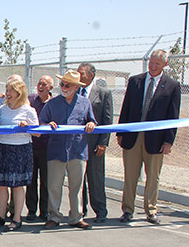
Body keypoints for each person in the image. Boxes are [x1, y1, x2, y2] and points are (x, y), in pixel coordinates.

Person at [118, 49, 181, 224]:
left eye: (157, 64)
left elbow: (173, 116)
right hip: (133, 137)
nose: (153, 66)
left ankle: (151, 210)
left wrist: (169, 141)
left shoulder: (172, 85)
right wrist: (121, 132)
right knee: (130, 175)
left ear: (165, 65)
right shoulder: (135, 81)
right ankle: (127, 210)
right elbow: (126, 108)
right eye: (151, 62)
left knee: (153, 176)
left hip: (157, 140)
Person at [39, 70, 96, 230]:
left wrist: (91, 124)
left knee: (76, 187)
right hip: (56, 150)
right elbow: (41, 123)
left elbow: (91, 121)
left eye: (67, 85)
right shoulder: (52, 104)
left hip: (77, 150)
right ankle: (54, 216)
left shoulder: (85, 103)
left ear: (76, 87)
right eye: (62, 84)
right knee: (54, 186)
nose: (64, 87)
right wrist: (48, 125)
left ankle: (76, 217)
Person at [0, 79, 39, 231]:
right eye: (7, 89)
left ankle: (17, 218)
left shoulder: (28, 110)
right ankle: (1, 216)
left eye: (10, 90)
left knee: (18, 186)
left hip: (21, 150)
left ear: (19, 92)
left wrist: (27, 127)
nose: (8, 93)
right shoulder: (3, 109)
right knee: (2, 184)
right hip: (4, 149)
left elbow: (37, 133)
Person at [77, 63, 113, 224]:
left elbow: (107, 120)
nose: (79, 76)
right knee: (79, 179)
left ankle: (100, 211)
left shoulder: (103, 93)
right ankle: (80, 210)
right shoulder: (74, 91)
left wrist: (103, 143)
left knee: (96, 178)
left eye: (82, 74)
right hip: (77, 144)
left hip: (95, 144)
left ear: (91, 75)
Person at [25, 75, 54, 221]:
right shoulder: (31, 100)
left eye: (44, 84)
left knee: (46, 180)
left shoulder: (54, 103)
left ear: (50, 88)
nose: (40, 86)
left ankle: (45, 210)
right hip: (31, 145)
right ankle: (31, 210)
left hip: (48, 147)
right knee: (31, 180)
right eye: (39, 83)